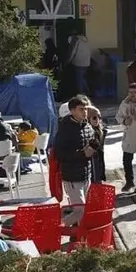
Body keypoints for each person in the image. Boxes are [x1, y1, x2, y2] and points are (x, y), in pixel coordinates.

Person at [54, 95, 97, 225]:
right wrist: (82, 154)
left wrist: (93, 148)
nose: (84, 112)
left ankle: (78, 237)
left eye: (85, 109)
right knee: (80, 210)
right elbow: (60, 154)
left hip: (86, 173)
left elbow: (93, 144)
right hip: (72, 176)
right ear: (72, 110)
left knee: (85, 210)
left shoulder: (87, 126)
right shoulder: (65, 128)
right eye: (81, 109)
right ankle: (58, 227)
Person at [88, 107, 107, 183]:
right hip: (91, 164)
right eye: (94, 117)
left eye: (99, 117)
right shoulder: (87, 132)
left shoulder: (101, 131)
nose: (97, 120)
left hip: (98, 163)